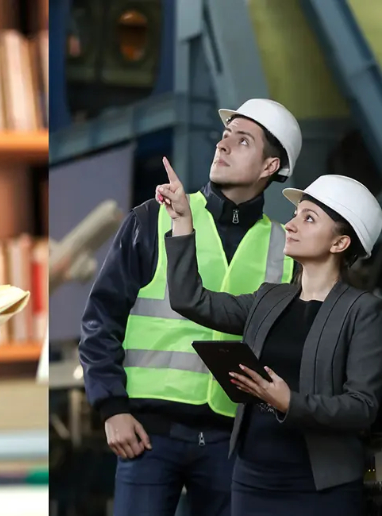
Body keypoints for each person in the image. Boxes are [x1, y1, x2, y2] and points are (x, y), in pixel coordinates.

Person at [79, 98, 300, 516]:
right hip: (147, 434)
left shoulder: (285, 249)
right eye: (224, 136)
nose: (223, 146)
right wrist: (112, 408)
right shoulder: (153, 218)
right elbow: (100, 320)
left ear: (270, 167)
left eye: (243, 141)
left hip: (231, 444)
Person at [158, 169, 382, 514]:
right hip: (251, 479)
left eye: (308, 218)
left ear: (340, 243)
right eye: (295, 215)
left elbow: (362, 406)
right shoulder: (269, 298)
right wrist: (183, 222)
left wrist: (289, 402)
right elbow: (190, 299)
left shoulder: (362, 311)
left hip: (320, 488)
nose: (290, 225)